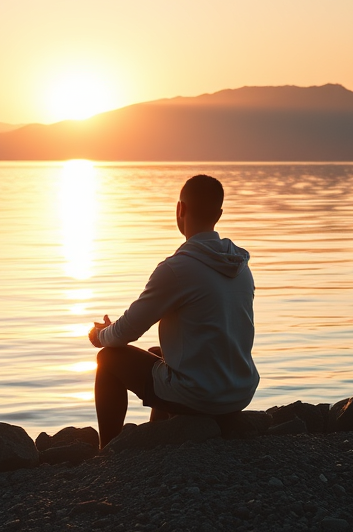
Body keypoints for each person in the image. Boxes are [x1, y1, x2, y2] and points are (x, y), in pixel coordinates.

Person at [88, 174, 258, 448]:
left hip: (203, 396)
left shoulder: (177, 269)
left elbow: (126, 332)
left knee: (108, 358)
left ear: (180, 209)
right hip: (239, 390)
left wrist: (100, 334)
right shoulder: (240, 266)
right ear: (219, 214)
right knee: (157, 354)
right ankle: (162, 434)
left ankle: (107, 450)